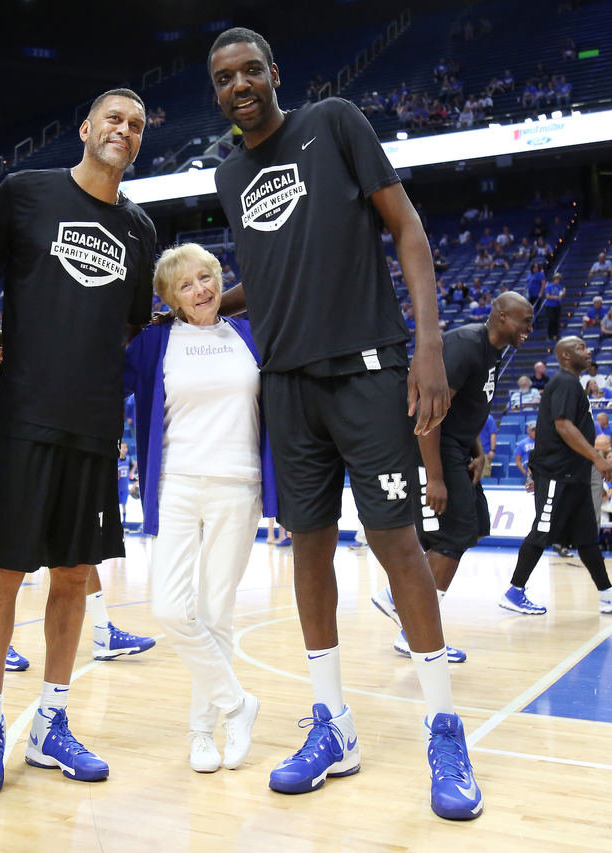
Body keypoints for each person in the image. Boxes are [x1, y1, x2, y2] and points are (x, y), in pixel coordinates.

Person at [208, 28, 482, 819]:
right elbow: (268, 277)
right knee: (309, 551)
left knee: (398, 544)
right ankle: (332, 722)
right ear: (216, 92)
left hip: (368, 369)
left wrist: (427, 345)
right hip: (287, 385)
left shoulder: (333, 121)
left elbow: (408, 228)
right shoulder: (228, 174)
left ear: (274, 73)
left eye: (250, 70)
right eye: (224, 78)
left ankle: (444, 727)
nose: (239, 86)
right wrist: (204, 303)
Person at [0, 87, 157, 794]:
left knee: (73, 576)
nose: (124, 131)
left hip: (95, 424)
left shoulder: (140, 229)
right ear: (85, 128)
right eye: (114, 119)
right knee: (6, 572)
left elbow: (130, 323)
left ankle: (51, 720)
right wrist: (2, 347)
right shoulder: (25, 193)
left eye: (136, 125)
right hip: (24, 415)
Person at [123, 243, 279, 773]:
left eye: (206, 277)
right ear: (170, 299)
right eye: (185, 285)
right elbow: (103, 379)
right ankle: (237, 704)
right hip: (177, 484)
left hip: (240, 484)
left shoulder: (250, 335)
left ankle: (202, 733)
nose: (200, 290)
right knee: (169, 608)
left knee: (216, 613)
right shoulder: (154, 343)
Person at [372, 292, 534, 661]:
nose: (530, 328)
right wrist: (435, 478)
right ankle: (413, 630)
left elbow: (462, 407)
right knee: (452, 536)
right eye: (525, 321)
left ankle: (398, 597)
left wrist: (479, 451)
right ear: (502, 316)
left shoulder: (492, 351)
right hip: (431, 447)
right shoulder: (466, 345)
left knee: (474, 526)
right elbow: (429, 411)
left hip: (457, 450)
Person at [500, 337, 612, 615]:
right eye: (581, 348)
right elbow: (563, 426)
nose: (588, 351)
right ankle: (514, 591)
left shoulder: (573, 385)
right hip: (558, 474)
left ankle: (607, 595)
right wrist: (597, 458)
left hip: (573, 475)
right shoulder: (564, 383)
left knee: (587, 537)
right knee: (542, 531)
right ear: (566, 356)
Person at [542, 273, 563, 339]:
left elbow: (560, 295)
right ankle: (550, 334)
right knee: (552, 319)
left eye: (559, 279)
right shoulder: (549, 286)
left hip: (557, 305)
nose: (558, 280)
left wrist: (561, 295)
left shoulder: (560, 287)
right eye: (557, 279)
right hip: (550, 305)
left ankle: (555, 333)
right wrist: (556, 297)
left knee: (556, 320)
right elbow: (547, 296)